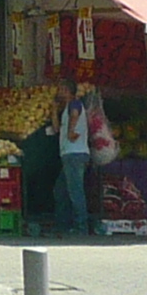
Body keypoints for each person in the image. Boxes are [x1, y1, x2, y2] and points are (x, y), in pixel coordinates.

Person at [56, 90, 98, 235]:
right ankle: (64, 224)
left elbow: (74, 114)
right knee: (60, 191)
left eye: (61, 88)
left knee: (76, 192)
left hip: (75, 154)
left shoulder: (74, 104)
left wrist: (70, 130)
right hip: (69, 154)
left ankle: (81, 227)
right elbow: (56, 129)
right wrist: (53, 112)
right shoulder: (65, 109)